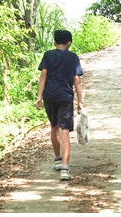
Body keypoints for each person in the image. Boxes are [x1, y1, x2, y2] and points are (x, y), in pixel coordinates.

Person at [36, 29, 84, 181]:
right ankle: (65, 167)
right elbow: (76, 79)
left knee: (54, 126)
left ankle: (57, 158)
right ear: (69, 43)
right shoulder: (73, 57)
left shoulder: (48, 55)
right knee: (64, 130)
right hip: (65, 96)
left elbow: (43, 74)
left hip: (49, 95)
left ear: (54, 42)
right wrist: (80, 101)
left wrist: (39, 96)